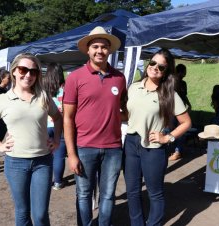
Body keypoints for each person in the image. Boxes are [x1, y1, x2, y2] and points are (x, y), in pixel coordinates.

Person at [0, 53, 63, 226]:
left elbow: (58, 117)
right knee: (22, 212)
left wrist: (56, 140)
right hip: (15, 163)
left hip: (43, 161)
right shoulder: (2, 100)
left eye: (33, 71)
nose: (28, 75)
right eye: (23, 69)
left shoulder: (43, 96)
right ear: (14, 72)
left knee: (40, 215)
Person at [63, 26, 127, 226]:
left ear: (110, 50)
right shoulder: (75, 77)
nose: (100, 51)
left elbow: (124, 109)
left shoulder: (119, 77)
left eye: (104, 47)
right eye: (96, 47)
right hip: (84, 147)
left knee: (108, 196)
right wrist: (72, 154)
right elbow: (67, 118)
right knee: (83, 195)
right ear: (88, 50)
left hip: (113, 148)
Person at [124, 48, 192, 226]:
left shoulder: (169, 94)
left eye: (161, 67)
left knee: (155, 193)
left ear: (165, 72)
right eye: (153, 63)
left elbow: (186, 122)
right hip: (131, 144)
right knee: (132, 191)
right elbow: (127, 115)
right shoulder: (133, 87)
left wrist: (167, 138)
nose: (155, 68)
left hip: (153, 148)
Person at [43, 62, 67, 190]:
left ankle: (44, 180)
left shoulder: (42, 88)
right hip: (60, 125)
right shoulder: (65, 87)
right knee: (59, 155)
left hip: (44, 125)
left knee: (45, 155)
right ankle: (57, 182)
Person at [169, 63, 191, 161]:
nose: (185, 74)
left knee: (180, 130)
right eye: (184, 71)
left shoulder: (183, 83)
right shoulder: (172, 81)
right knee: (172, 130)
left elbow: (183, 95)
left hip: (180, 110)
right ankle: (173, 150)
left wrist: (188, 104)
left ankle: (177, 151)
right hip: (171, 109)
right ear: (180, 72)